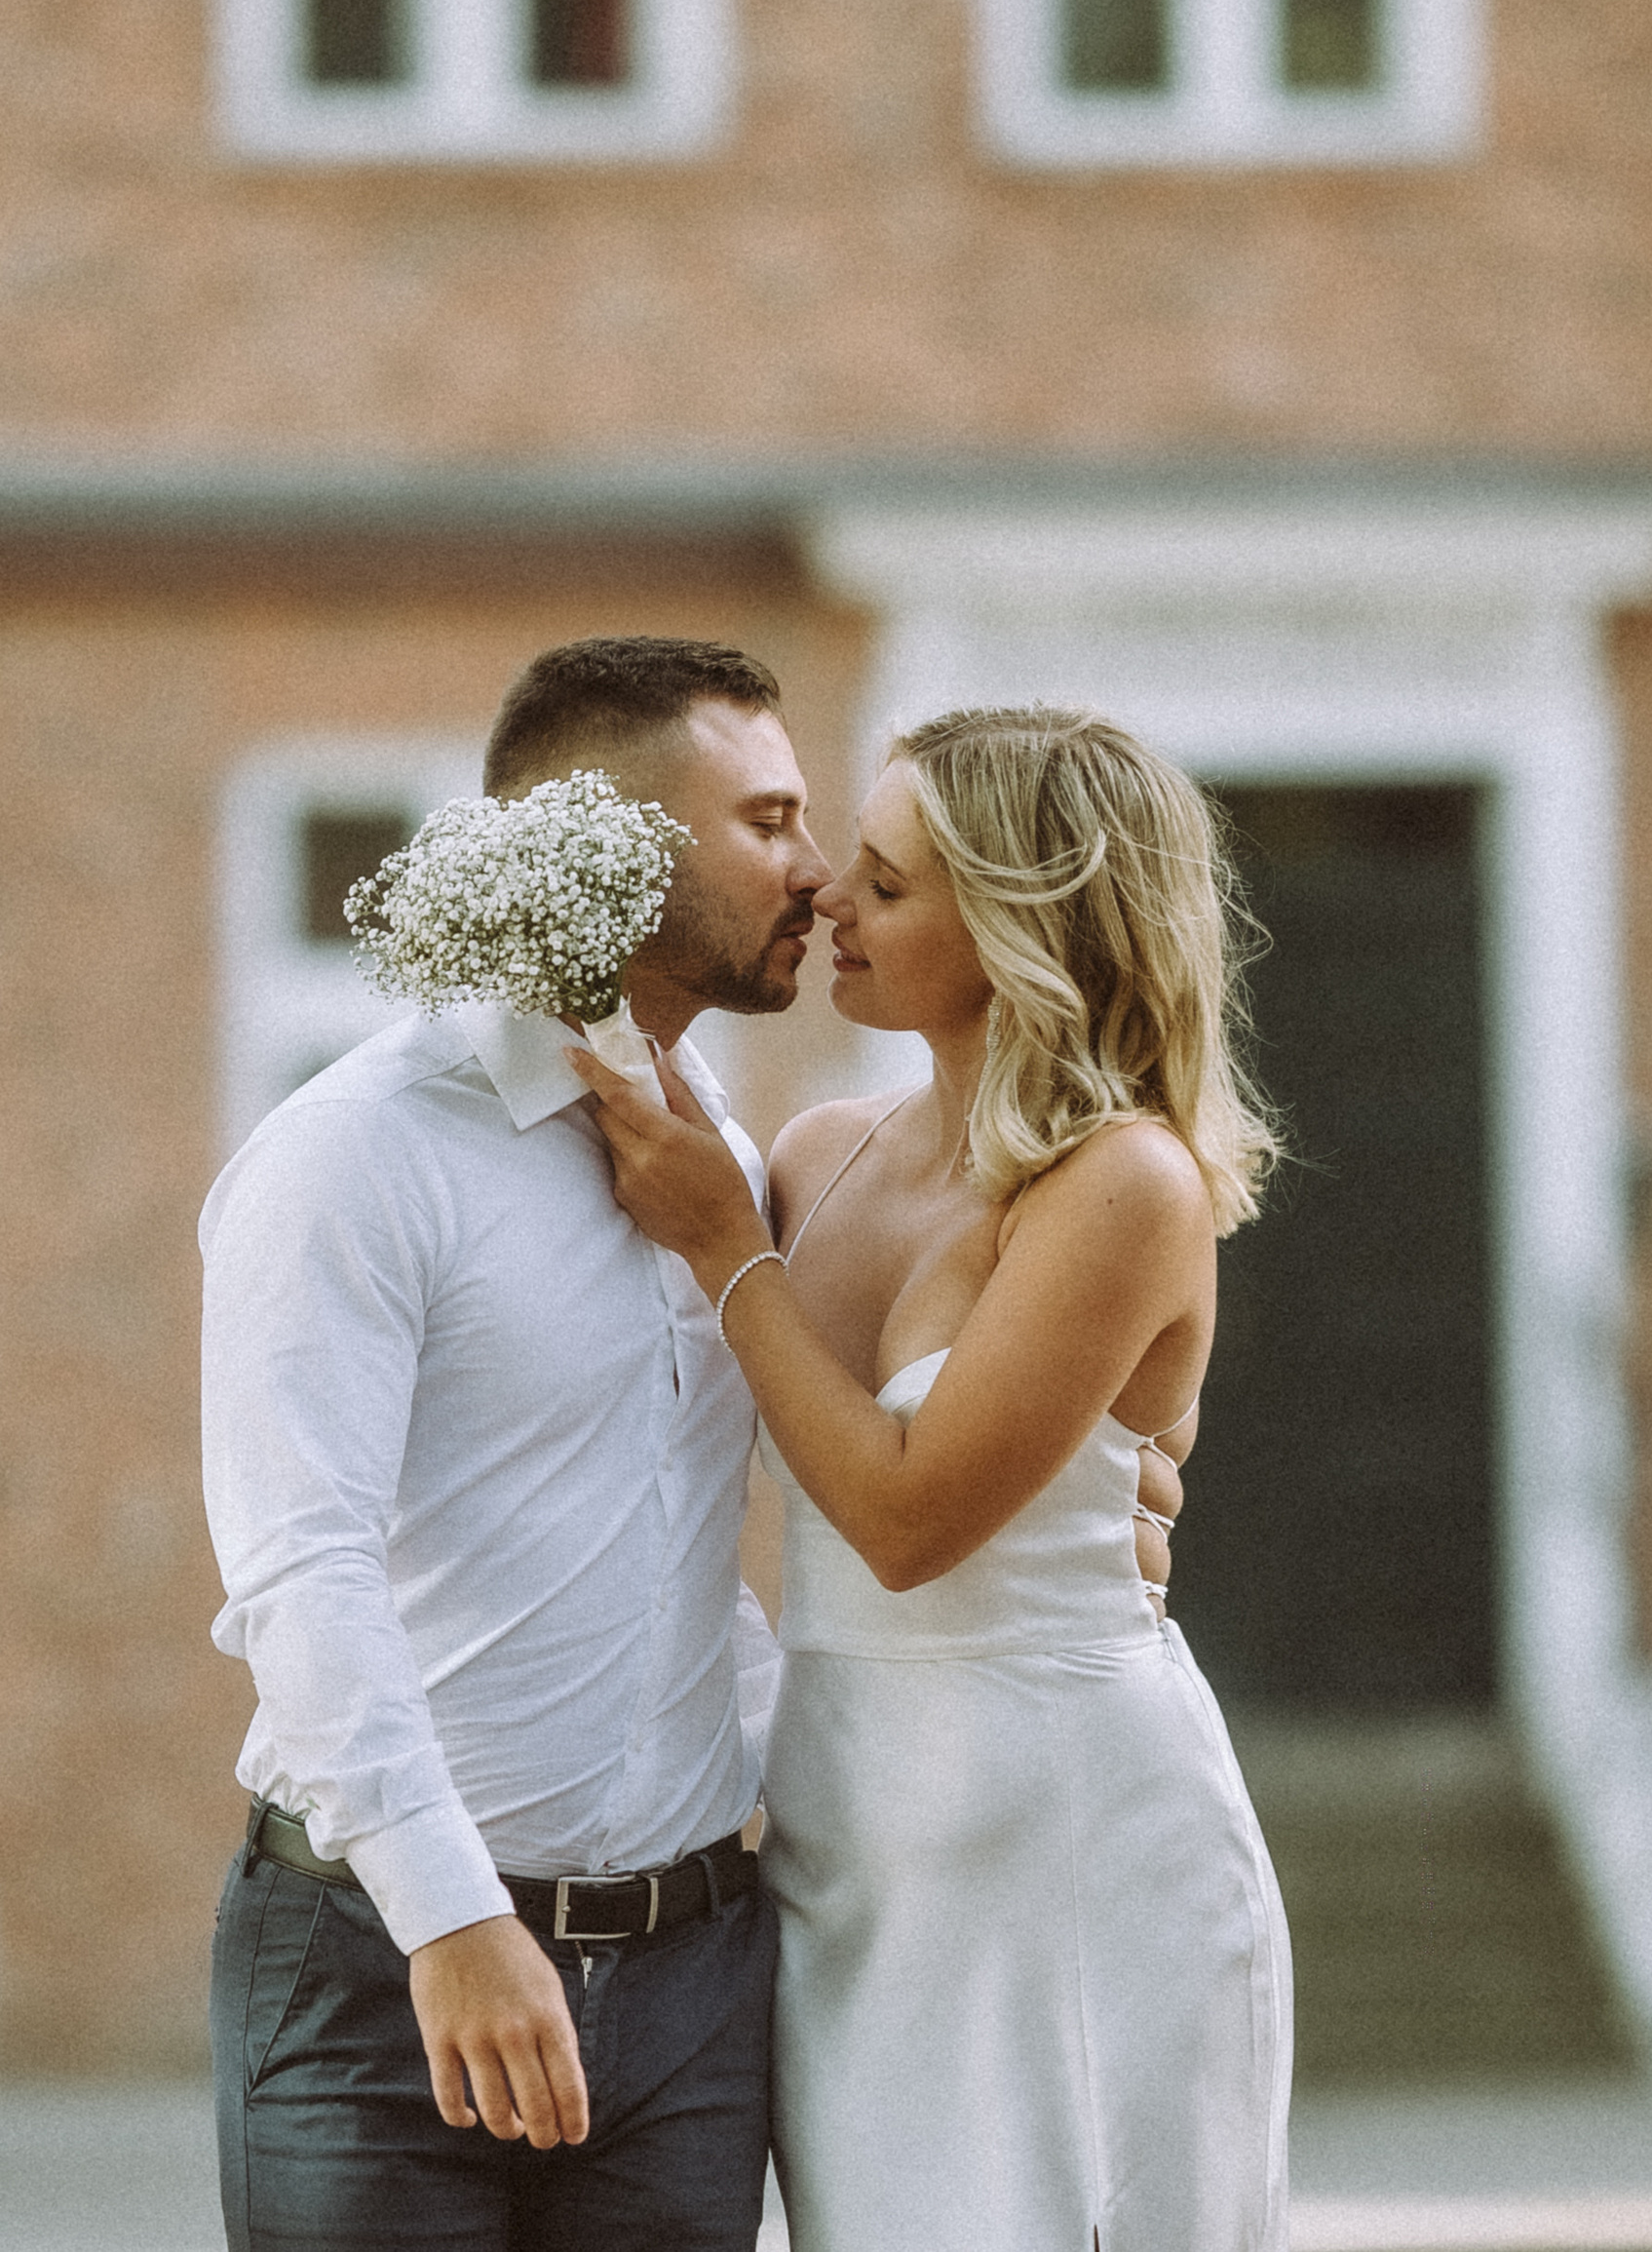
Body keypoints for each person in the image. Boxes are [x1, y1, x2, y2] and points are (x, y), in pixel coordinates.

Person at [575, 702, 1292, 2252]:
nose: (833, 892)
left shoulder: (1126, 1182)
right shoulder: (810, 1154)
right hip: (846, 1827)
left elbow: (903, 1518)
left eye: (890, 884)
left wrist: (724, 1249)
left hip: (1075, 1833)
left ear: (1026, 921)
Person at [199, 636, 828, 2251]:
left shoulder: (721, 1161)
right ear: (619, 836)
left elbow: (689, 1563)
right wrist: (454, 1917)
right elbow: (300, 1566)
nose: (815, 872)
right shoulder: (353, 1156)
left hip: (695, 1986)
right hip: (383, 1970)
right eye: (768, 822)